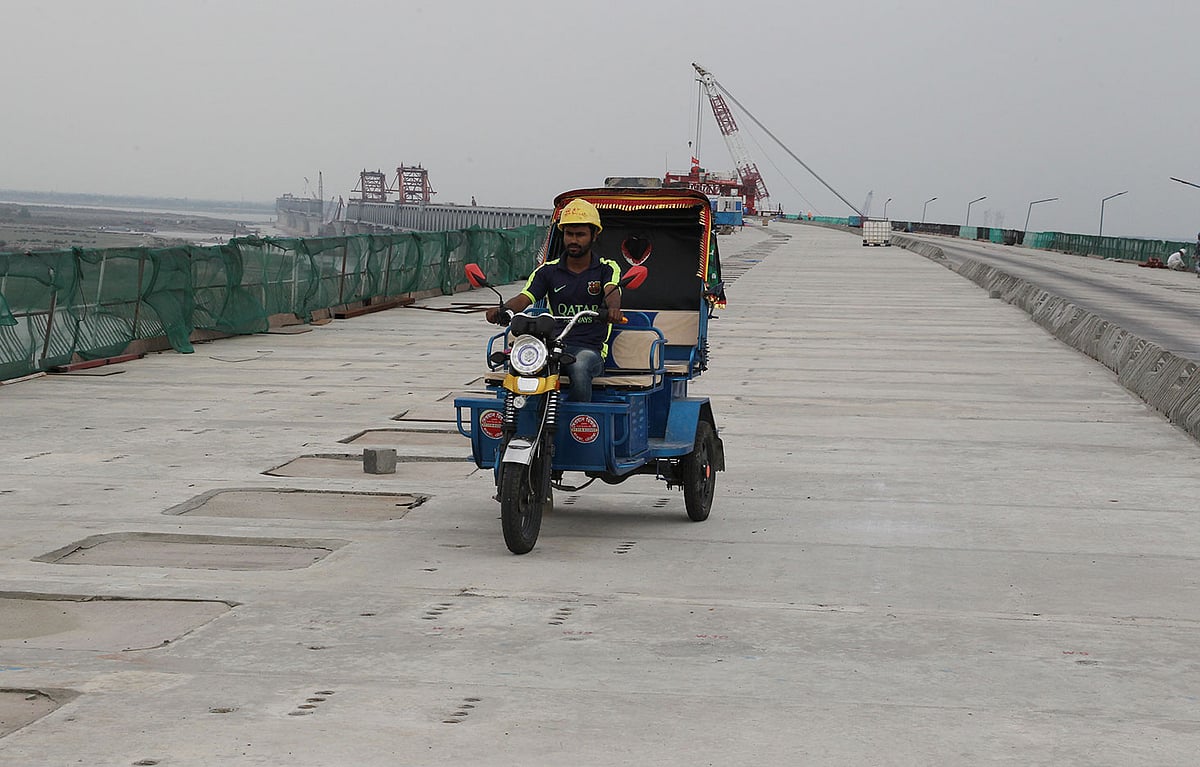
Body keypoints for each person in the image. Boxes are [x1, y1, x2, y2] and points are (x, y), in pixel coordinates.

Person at [486, 198, 623, 402]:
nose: (574, 240)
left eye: (580, 234)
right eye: (569, 234)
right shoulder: (547, 271)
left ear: (594, 235)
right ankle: (521, 421)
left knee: (580, 366)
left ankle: (578, 424)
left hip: (589, 348)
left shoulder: (606, 268)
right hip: (550, 345)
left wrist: (613, 310)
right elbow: (525, 297)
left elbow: (612, 291)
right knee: (520, 364)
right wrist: (503, 310)